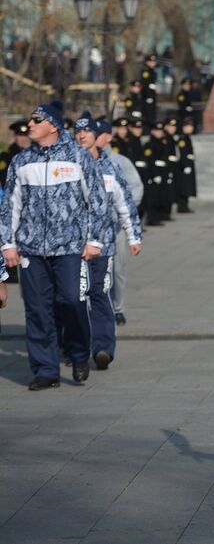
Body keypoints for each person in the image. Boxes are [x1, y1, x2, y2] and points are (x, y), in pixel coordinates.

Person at [0, 101, 109, 389]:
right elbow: (9, 206)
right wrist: (8, 244)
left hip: (69, 247)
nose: (30, 125)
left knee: (71, 300)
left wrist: (94, 240)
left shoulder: (77, 157)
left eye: (36, 120)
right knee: (37, 308)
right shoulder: (22, 161)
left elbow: (97, 200)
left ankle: (77, 352)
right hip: (31, 249)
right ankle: (45, 370)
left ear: (53, 125)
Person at [74, 113, 141, 369]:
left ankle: (102, 347)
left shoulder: (111, 166)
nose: (81, 136)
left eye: (86, 131)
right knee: (75, 298)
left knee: (101, 294)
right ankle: (74, 345)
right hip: (72, 246)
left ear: (96, 135)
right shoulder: (69, 163)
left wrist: (133, 234)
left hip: (104, 243)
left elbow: (124, 202)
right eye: (77, 131)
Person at [108, 117, 144, 324]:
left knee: (117, 268)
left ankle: (117, 308)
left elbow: (135, 190)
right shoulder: (79, 160)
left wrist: (123, 215)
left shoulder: (119, 161)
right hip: (87, 231)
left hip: (116, 226)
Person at [174, 117, 197, 213]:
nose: (190, 128)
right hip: (184, 166)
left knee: (187, 186)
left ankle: (185, 205)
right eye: (188, 126)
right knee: (184, 187)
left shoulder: (187, 137)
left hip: (189, 164)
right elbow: (183, 153)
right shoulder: (182, 138)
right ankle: (182, 205)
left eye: (191, 126)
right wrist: (186, 165)